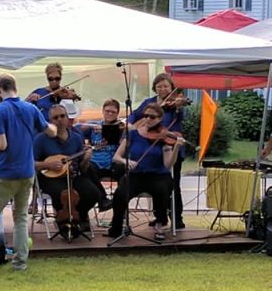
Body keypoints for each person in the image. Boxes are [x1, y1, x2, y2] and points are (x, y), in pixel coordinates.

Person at [0, 74, 57, 273]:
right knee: (21, 218)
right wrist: (51, 126)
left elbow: (1, 144)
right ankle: (20, 263)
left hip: (6, 173)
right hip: (27, 172)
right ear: (15, 87)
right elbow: (51, 132)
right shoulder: (31, 108)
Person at [107, 103, 184, 242]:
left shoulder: (163, 138)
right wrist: (126, 161)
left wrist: (176, 149)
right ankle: (116, 226)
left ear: (160, 119)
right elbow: (116, 157)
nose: (148, 119)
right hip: (136, 174)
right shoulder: (133, 134)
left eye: (152, 117)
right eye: (146, 115)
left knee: (162, 189)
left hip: (158, 175)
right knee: (120, 193)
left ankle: (160, 224)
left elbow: (167, 165)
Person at [128, 72, 187, 229]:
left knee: (173, 184)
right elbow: (134, 116)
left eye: (166, 86)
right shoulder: (149, 102)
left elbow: (180, 118)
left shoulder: (175, 103)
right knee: (156, 182)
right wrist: (130, 125)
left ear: (171, 88)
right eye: (159, 86)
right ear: (154, 88)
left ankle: (177, 218)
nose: (163, 89)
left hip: (170, 145)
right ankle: (160, 216)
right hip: (152, 146)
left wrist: (179, 107)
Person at [33, 104, 102, 235]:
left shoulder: (76, 138)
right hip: (49, 178)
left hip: (72, 176)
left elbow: (82, 167)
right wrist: (47, 165)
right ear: (50, 121)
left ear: (67, 118)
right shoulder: (41, 139)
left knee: (93, 193)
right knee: (62, 193)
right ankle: (63, 222)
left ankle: (77, 216)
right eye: (55, 117)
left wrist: (86, 159)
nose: (59, 119)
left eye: (62, 116)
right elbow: (30, 163)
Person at [74, 98, 125, 211]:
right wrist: (84, 143)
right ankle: (102, 199)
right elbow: (76, 128)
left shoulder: (121, 126)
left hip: (112, 163)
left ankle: (119, 205)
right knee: (86, 168)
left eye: (113, 112)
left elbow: (130, 128)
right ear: (102, 111)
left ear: (117, 113)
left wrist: (106, 129)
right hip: (96, 162)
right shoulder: (94, 126)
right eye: (107, 111)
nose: (110, 114)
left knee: (123, 170)